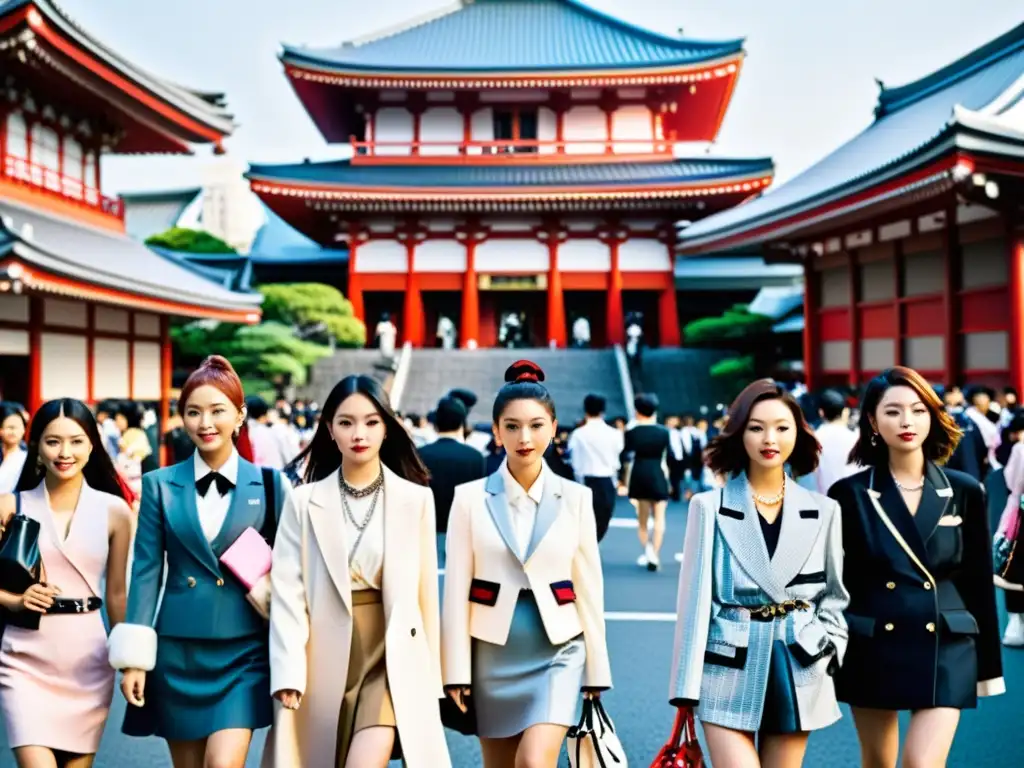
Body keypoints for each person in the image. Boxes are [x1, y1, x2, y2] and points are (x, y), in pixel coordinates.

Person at [108, 356, 292, 768]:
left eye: (217, 410)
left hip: (244, 649)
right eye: (193, 412)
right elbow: (146, 571)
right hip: (178, 651)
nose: (204, 422)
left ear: (240, 415)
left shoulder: (271, 484)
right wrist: (134, 659)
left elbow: (292, 571)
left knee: (223, 765)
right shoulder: (159, 484)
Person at [267, 375, 450, 768]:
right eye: (346, 422)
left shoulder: (416, 499)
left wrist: (432, 677)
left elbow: (424, 596)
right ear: (329, 430)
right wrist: (287, 671)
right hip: (322, 651)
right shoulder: (303, 502)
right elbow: (287, 595)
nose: (359, 433)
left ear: (387, 427)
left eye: (371, 421)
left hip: (391, 654)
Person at [828, 366, 1004, 768]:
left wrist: (989, 668)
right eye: (892, 412)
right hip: (873, 643)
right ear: (872, 420)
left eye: (918, 410)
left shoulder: (963, 490)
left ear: (932, 415)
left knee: (922, 764)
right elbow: (835, 584)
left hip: (946, 642)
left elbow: (977, 580)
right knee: (878, 763)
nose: (907, 422)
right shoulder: (848, 494)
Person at [669, 379, 849, 768]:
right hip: (726, 664)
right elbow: (695, 604)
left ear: (798, 434)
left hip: (799, 661)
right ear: (739, 434)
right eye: (756, 427)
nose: (770, 438)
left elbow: (834, 596)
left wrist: (829, 649)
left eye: (782, 427)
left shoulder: (824, 510)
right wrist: (684, 690)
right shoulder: (708, 506)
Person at [443, 360, 611, 768]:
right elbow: (455, 591)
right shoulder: (468, 498)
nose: (525, 437)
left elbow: (589, 588)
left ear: (554, 428)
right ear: (496, 432)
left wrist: (597, 670)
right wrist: (453, 671)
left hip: (559, 650)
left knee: (535, 762)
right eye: (512, 426)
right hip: (489, 653)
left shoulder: (576, 498)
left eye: (537, 425)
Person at [0, 398, 133, 767]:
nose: (65, 452)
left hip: (88, 660)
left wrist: (129, 661)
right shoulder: (10, 506)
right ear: (37, 446)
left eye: (76, 441)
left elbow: (117, 594)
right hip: (24, 658)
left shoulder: (115, 511)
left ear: (93, 444)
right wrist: (14, 601)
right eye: (52, 441)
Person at [418, 396, 487, 569]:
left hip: (424, 534)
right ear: (462, 424)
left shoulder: (419, 454)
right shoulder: (475, 457)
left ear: (436, 423)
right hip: (462, 536)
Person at [625, 393, 672, 571]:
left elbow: (625, 456)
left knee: (643, 520)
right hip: (658, 474)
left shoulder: (631, 433)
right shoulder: (664, 432)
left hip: (639, 474)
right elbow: (670, 457)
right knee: (660, 519)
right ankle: (655, 554)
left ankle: (648, 551)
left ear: (637, 411)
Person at [568, 394, 624, 541]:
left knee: (583, 521)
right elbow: (617, 458)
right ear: (603, 411)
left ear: (585, 410)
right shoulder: (614, 434)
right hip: (607, 481)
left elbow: (575, 463)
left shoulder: (578, 434)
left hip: (585, 481)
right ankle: (592, 548)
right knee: (602, 521)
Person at [810, 389, 858, 494]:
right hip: (854, 499)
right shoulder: (855, 437)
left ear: (821, 412)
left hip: (826, 499)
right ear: (844, 411)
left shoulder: (814, 440)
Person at [0, 403, 27, 494]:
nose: (13, 431)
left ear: (23, 430)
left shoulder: (26, 459)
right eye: (9, 427)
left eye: (17, 427)